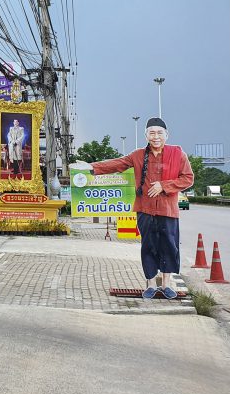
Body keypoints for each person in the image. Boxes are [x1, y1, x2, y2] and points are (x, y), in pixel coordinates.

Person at [70, 117, 194, 299]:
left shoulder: (178, 154)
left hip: (168, 211)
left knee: (169, 246)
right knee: (148, 246)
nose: (156, 137)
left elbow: (188, 178)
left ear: (166, 135)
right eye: (152, 133)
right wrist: (91, 167)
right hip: (145, 209)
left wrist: (164, 185)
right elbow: (117, 164)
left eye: (159, 133)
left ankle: (167, 284)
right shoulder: (137, 155)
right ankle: (151, 284)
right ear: (146, 135)